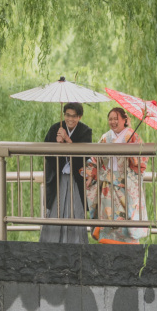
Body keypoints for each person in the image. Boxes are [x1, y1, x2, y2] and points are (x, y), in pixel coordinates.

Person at [85, 106, 148, 244]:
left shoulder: (133, 136)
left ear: (124, 120)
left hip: (125, 183)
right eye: (110, 119)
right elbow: (95, 158)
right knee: (108, 215)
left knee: (124, 216)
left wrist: (131, 153)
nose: (113, 122)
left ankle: (127, 241)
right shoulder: (106, 137)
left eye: (116, 119)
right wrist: (90, 175)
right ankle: (107, 240)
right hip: (107, 182)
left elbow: (142, 160)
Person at [40, 102, 92, 245]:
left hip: (76, 178)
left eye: (74, 116)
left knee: (76, 210)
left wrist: (68, 141)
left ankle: (77, 244)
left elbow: (85, 156)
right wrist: (57, 145)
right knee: (56, 209)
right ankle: (50, 243)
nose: (70, 119)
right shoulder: (54, 129)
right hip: (59, 176)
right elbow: (45, 153)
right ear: (64, 115)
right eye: (67, 115)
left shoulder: (86, 131)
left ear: (79, 117)